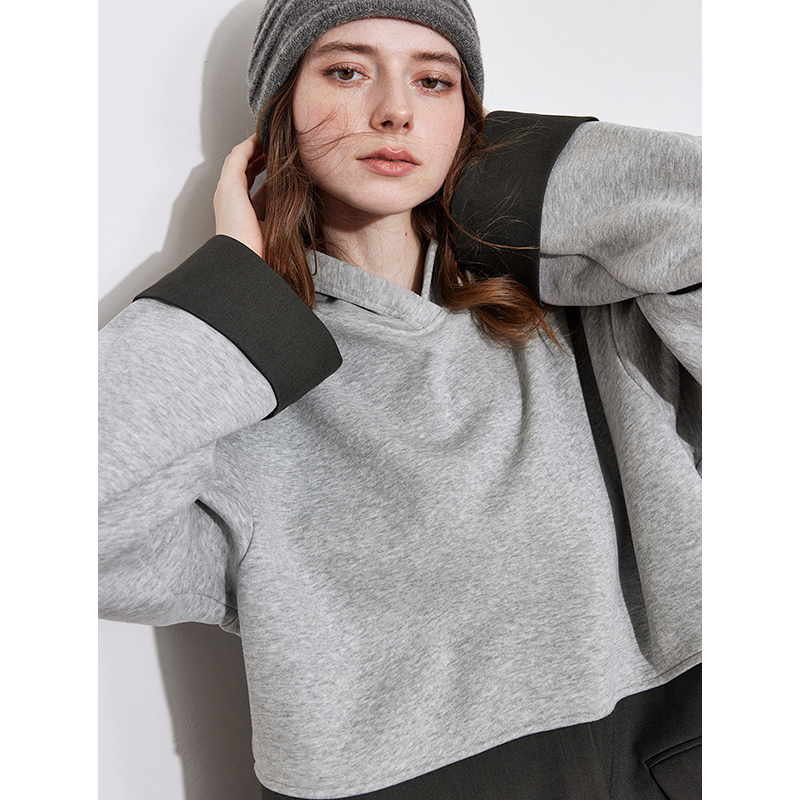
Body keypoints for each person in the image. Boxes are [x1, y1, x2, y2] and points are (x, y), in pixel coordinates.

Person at [99, 0, 701, 797]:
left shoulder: (600, 312)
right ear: (281, 112)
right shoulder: (235, 376)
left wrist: (521, 178)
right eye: (347, 71)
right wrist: (230, 291)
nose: (394, 111)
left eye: (434, 81)